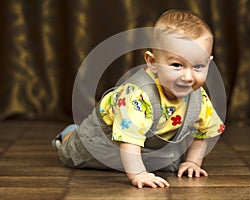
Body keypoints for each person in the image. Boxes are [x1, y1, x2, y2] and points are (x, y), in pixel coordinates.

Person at [52, 9, 225, 189]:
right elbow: (129, 140)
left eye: (198, 66)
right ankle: (69, 134)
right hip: (104, 138)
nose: (188, 77)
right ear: (152, 62)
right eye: (176, 65)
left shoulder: (198, 98)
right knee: (72, 154)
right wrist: (138, 174)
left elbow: (203, 133)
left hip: (145, 145)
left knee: (169, 164)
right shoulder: (138, 94)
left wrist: (193, 162)